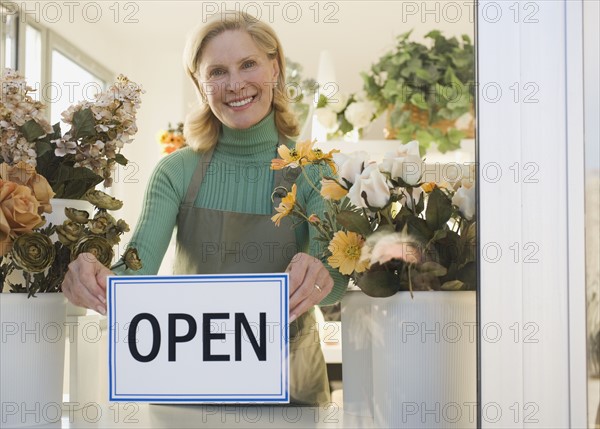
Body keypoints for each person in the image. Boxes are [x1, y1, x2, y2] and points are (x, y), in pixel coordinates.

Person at [62, 11, 348, 405]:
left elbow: (335, 281)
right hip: (192, 385)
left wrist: (321, 272)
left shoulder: (314, 170)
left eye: (248, 64)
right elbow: (136, 273)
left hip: (291, 389)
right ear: (200, 84)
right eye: (216, 72)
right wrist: (94, 275)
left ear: (275, 68)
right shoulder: (177, 170)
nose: (235, 84)